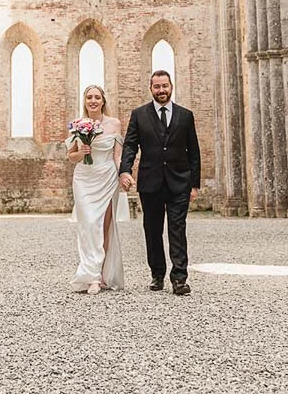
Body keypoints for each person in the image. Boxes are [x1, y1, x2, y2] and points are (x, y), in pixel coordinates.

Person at [119, 70, 200, 295]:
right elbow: (130, 145)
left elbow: (194, 151)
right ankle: (157, 274)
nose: (161, 90)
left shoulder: (185, 115)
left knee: (177, 229)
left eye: (165, 86)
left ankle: (179, 278)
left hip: (179, 182)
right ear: (151, 89)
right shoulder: (139, 115)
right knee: (152, 231)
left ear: (171, 87)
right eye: (157, 87)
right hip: (150, 182)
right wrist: (125, 170)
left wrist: (194, 184)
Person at [66, 84, 125, 294]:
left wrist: (124, 175)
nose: (93, 101)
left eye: (97, 97)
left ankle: (99, 275)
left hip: (107, 177)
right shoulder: (78, 124)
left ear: (103, 100)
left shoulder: (115, 124)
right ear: (85, 101)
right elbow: (71, 156)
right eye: (89, 97)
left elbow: (117, 156)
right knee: (88, 223)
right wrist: (82, 152)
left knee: (104, 226)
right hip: (84, 178)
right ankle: (89, 273)